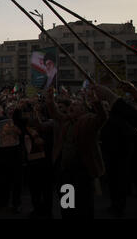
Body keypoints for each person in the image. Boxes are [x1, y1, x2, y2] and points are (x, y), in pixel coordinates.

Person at [46, 86, 106, 219]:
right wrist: (50, 101)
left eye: (76, 104)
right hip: (66, 170)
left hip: (83, 170)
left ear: (84, 110)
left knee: (83, 205)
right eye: (71, 104)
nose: (72, 105)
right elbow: (56, 114)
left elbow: (102, 117)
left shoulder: (89, 120)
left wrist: (95, 101)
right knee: (67, 204)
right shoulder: (66, 120)